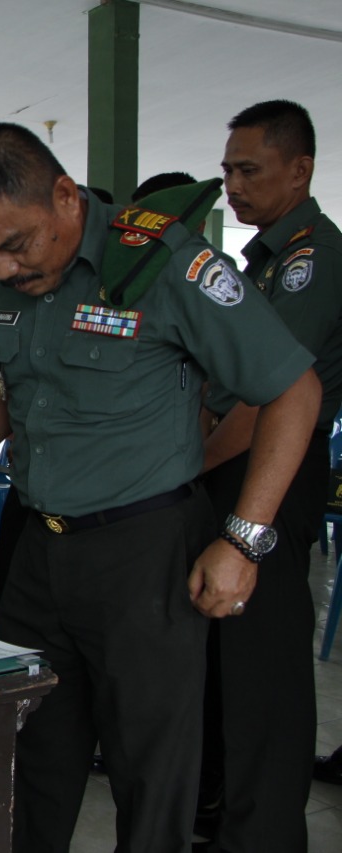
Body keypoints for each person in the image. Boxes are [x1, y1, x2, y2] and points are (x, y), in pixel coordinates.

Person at [0, 122, 320, 852]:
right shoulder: (7, 272)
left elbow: (292, 389)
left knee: (151, 772)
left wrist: (243, 537)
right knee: (32, 761)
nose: (4, 267)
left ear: (63, 195)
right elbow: (11, 379)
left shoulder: (164, 260)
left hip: (144, 555)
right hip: (37, 550)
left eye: (16, 244)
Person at [196, 99, 342, 852]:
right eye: (226, 170)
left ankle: (264, 836)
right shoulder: (260, 259)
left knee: (265, 669)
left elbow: (273, 394)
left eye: (248, 170)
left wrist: (191, 466)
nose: (232, 185)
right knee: (230, 661)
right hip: (234, 459)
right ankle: (230, 818)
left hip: (271, 471)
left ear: (300, 169)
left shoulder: (311, 259)